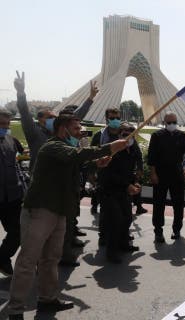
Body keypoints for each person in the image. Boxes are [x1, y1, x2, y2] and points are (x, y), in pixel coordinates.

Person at [6, 114, 127, 319]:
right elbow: (74, 156)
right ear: (63, 129)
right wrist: (110, 147)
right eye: (77, 128)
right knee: (28, 261)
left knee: (51, 259)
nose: (81, 132)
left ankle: (47, 299)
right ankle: (16, 310)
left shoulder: (66, 149)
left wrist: (97, 164)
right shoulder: (52, 146)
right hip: (40, 211)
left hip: (60, 211)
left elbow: (74, 164)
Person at [14, 71, 98, 172]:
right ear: (41, 120)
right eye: (49, 117)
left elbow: (77, 116)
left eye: (55, 117)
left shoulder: (60, 132)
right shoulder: (34, 134)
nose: (54, 119)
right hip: (41, 182)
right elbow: (24, 113)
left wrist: (91, 98)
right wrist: (21, 93)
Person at [98, 123, 142, 263]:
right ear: (118, 135)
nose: (128, 137)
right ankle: (112, 252)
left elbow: (131, 170)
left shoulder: (132, 149)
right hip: (110, 190)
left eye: (131, 134)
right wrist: (127, 185)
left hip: (124, 191)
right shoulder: (113, 150)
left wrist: (134, 182)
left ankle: (123, 244)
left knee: (127, 218)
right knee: (115, 221)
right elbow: (109, 173)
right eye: (124, 134)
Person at [147, 113, 185, 243]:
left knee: (178, 204)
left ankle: (177, 230)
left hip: (177, 175)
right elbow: (151, 157)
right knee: (159, 204)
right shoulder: (157, 136)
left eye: (174, 122)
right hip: (160, 175)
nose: (172, 124)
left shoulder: (182, 136)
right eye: (169, 122)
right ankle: (158, 231)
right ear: (164, 123)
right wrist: (153, 173)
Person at [0, 108, 24, 276]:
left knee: (19, 230)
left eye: (7, 123)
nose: (5, 127)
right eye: (1, 123)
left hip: (12, 196)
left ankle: (2, 257)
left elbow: (16, 166)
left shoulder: (11, 140)